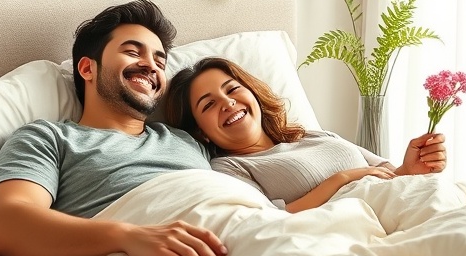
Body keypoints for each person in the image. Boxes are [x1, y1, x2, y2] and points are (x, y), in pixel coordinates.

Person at [0, 0, 228, 256]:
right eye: (134, 52)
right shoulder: (48, 138)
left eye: (160, 61)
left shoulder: (188, 139)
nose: (151, 66)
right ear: (88, 68)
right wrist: (127, 236)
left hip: (237, 231)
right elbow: (5, 226)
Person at [163, 57, 447, 213]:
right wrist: (342, 178)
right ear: (201, 132)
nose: (227, 103)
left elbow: (387, 175)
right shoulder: (228, 168)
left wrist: (411, 168)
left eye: (232, 89)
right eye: (209, 104)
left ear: (252, 93)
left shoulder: (312, 135)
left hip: (402, 207)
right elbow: (267, 220)